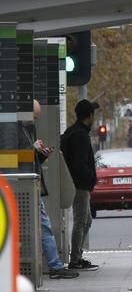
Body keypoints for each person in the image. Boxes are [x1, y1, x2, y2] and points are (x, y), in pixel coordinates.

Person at [27, 100, 78, 278]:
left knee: (42, 226)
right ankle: (55, 266)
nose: (34, 121)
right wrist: (31, 149)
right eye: (33, 117)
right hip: (26, 186)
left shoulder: (26, 131)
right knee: (44, 226)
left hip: (32, 186)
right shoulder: (14, 132)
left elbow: (29, 161)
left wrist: (41, 156)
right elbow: (13, 159)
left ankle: (55, 265)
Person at [61, 99, 100, 271]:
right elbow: (79, 164)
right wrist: (90, 179)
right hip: (80, 185)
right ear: (90, 116)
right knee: (80, 221)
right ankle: (75, 260)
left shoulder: (73, 132)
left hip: (77, 184)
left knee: (86, 220)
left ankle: (78, 255)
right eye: (94, 115)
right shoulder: (79, 136)